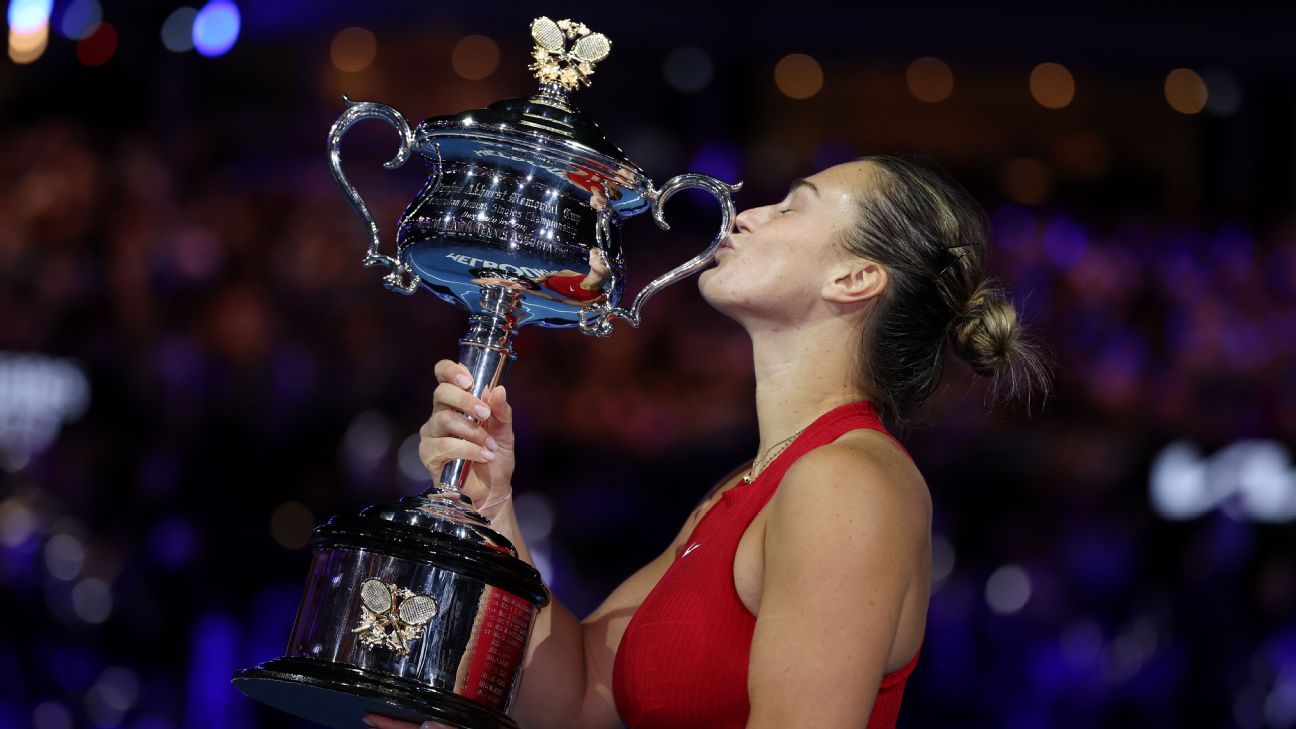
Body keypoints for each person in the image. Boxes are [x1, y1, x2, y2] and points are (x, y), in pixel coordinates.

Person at [367, 155, 1049, 729]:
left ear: (854, 278)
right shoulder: (750, 484)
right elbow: (578, 695)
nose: (744, 214)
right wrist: (492, 504)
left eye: (790, 207)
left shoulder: (846, 482)